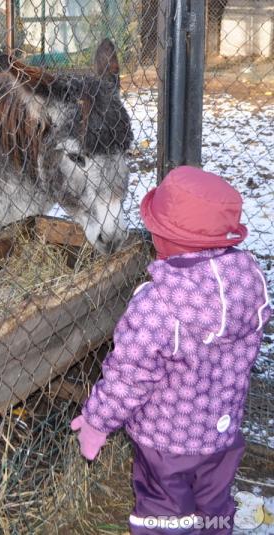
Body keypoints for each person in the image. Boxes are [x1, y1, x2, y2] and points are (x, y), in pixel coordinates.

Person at [70, 166, 271, 535]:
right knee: (214, 505)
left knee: (163, 514)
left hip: (166, 443)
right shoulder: (249, 281)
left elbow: (127, 378)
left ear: (163, 236)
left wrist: (98, 422)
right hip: (223, 433)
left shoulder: (155, 306)